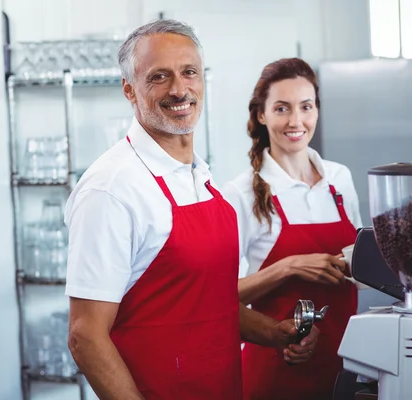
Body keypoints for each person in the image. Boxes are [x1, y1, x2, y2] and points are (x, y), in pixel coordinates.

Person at [64, 21, 319, 400]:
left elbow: (208, 304)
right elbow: (85, 336)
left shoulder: (200, 175)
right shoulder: (113, 188)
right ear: (129, 90)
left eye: (189, 73)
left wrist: (272, 332)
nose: (179, 89)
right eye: (159, 77)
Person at [223, 57, 363, 400]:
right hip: (275, 372)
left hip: (347, 364)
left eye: (306, 107)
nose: (296, 121)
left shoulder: (339, 178)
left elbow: (362, 269)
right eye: (282, 108)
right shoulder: (239, 193)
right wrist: (289, 267)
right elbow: (217, 298)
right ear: (262, 114)